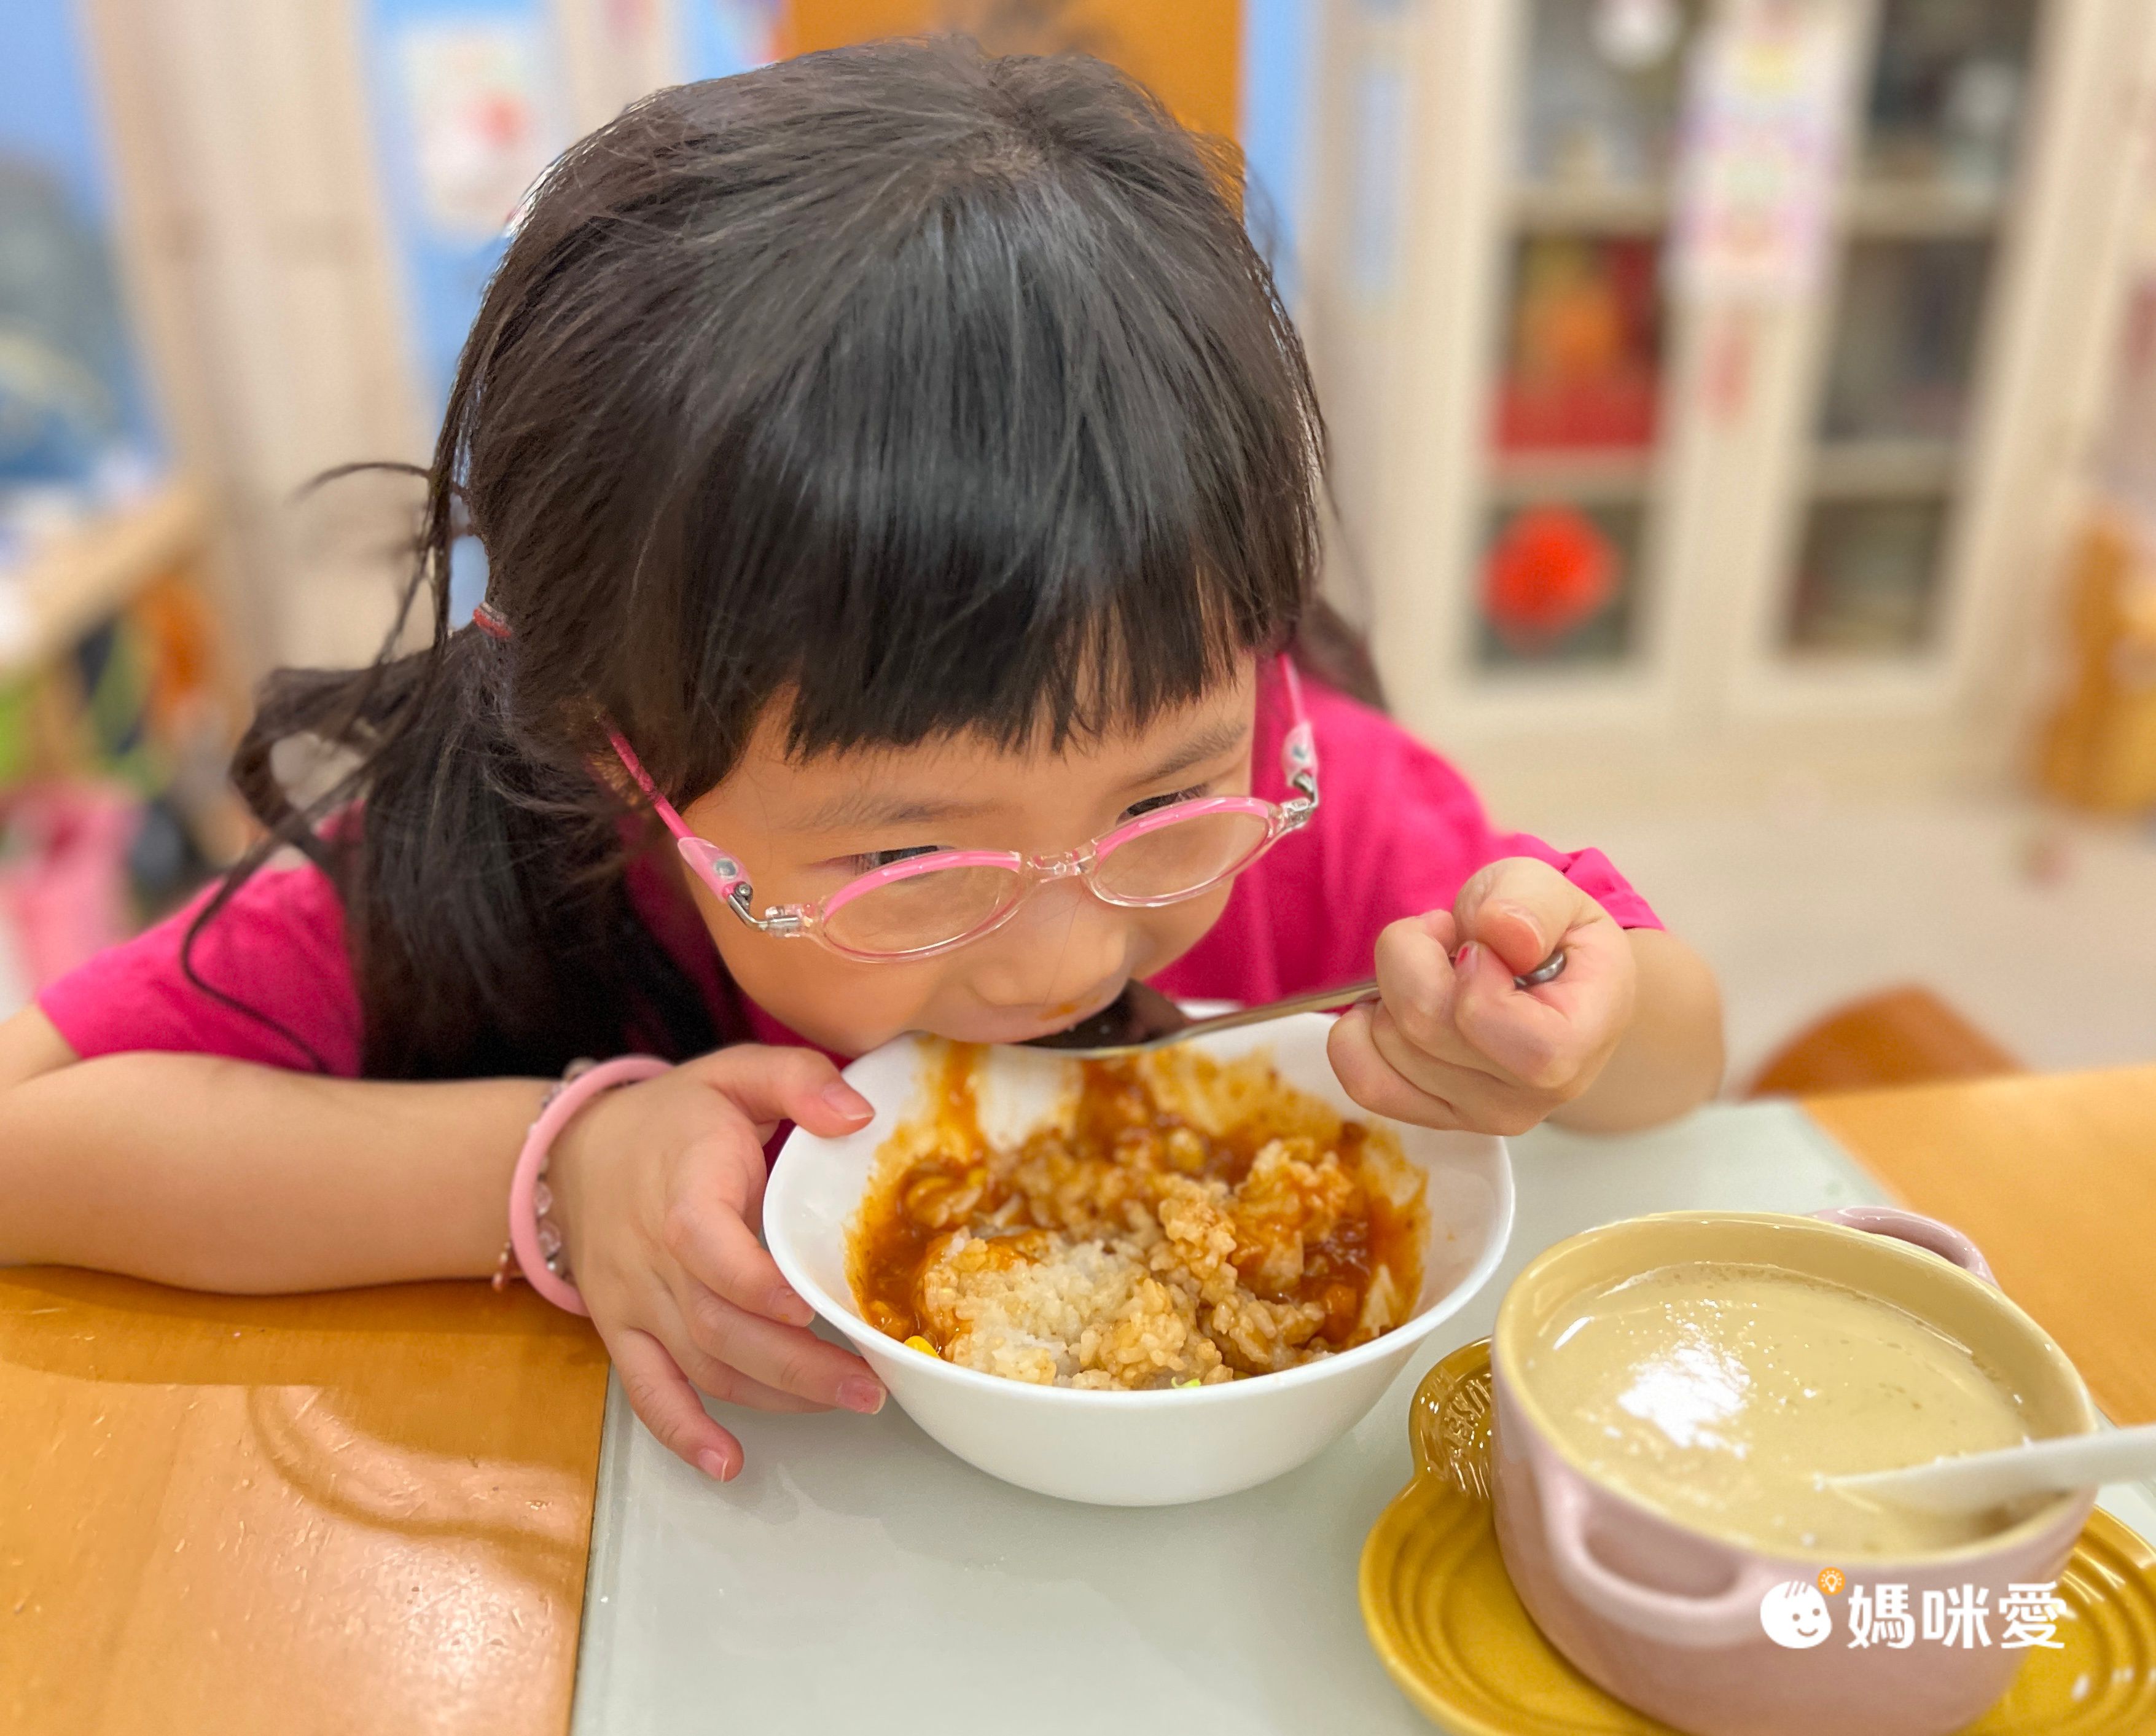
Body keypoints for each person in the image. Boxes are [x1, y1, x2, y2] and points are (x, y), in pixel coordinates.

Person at [0, 42, 1721, 1480]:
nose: (1059, 960)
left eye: (1162, 800)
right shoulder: (477, 859)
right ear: (620, 758)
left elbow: (1674, 1054)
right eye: (913, 862)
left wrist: (1570, 1024)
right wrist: (551, 1168)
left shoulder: (1306, 796)